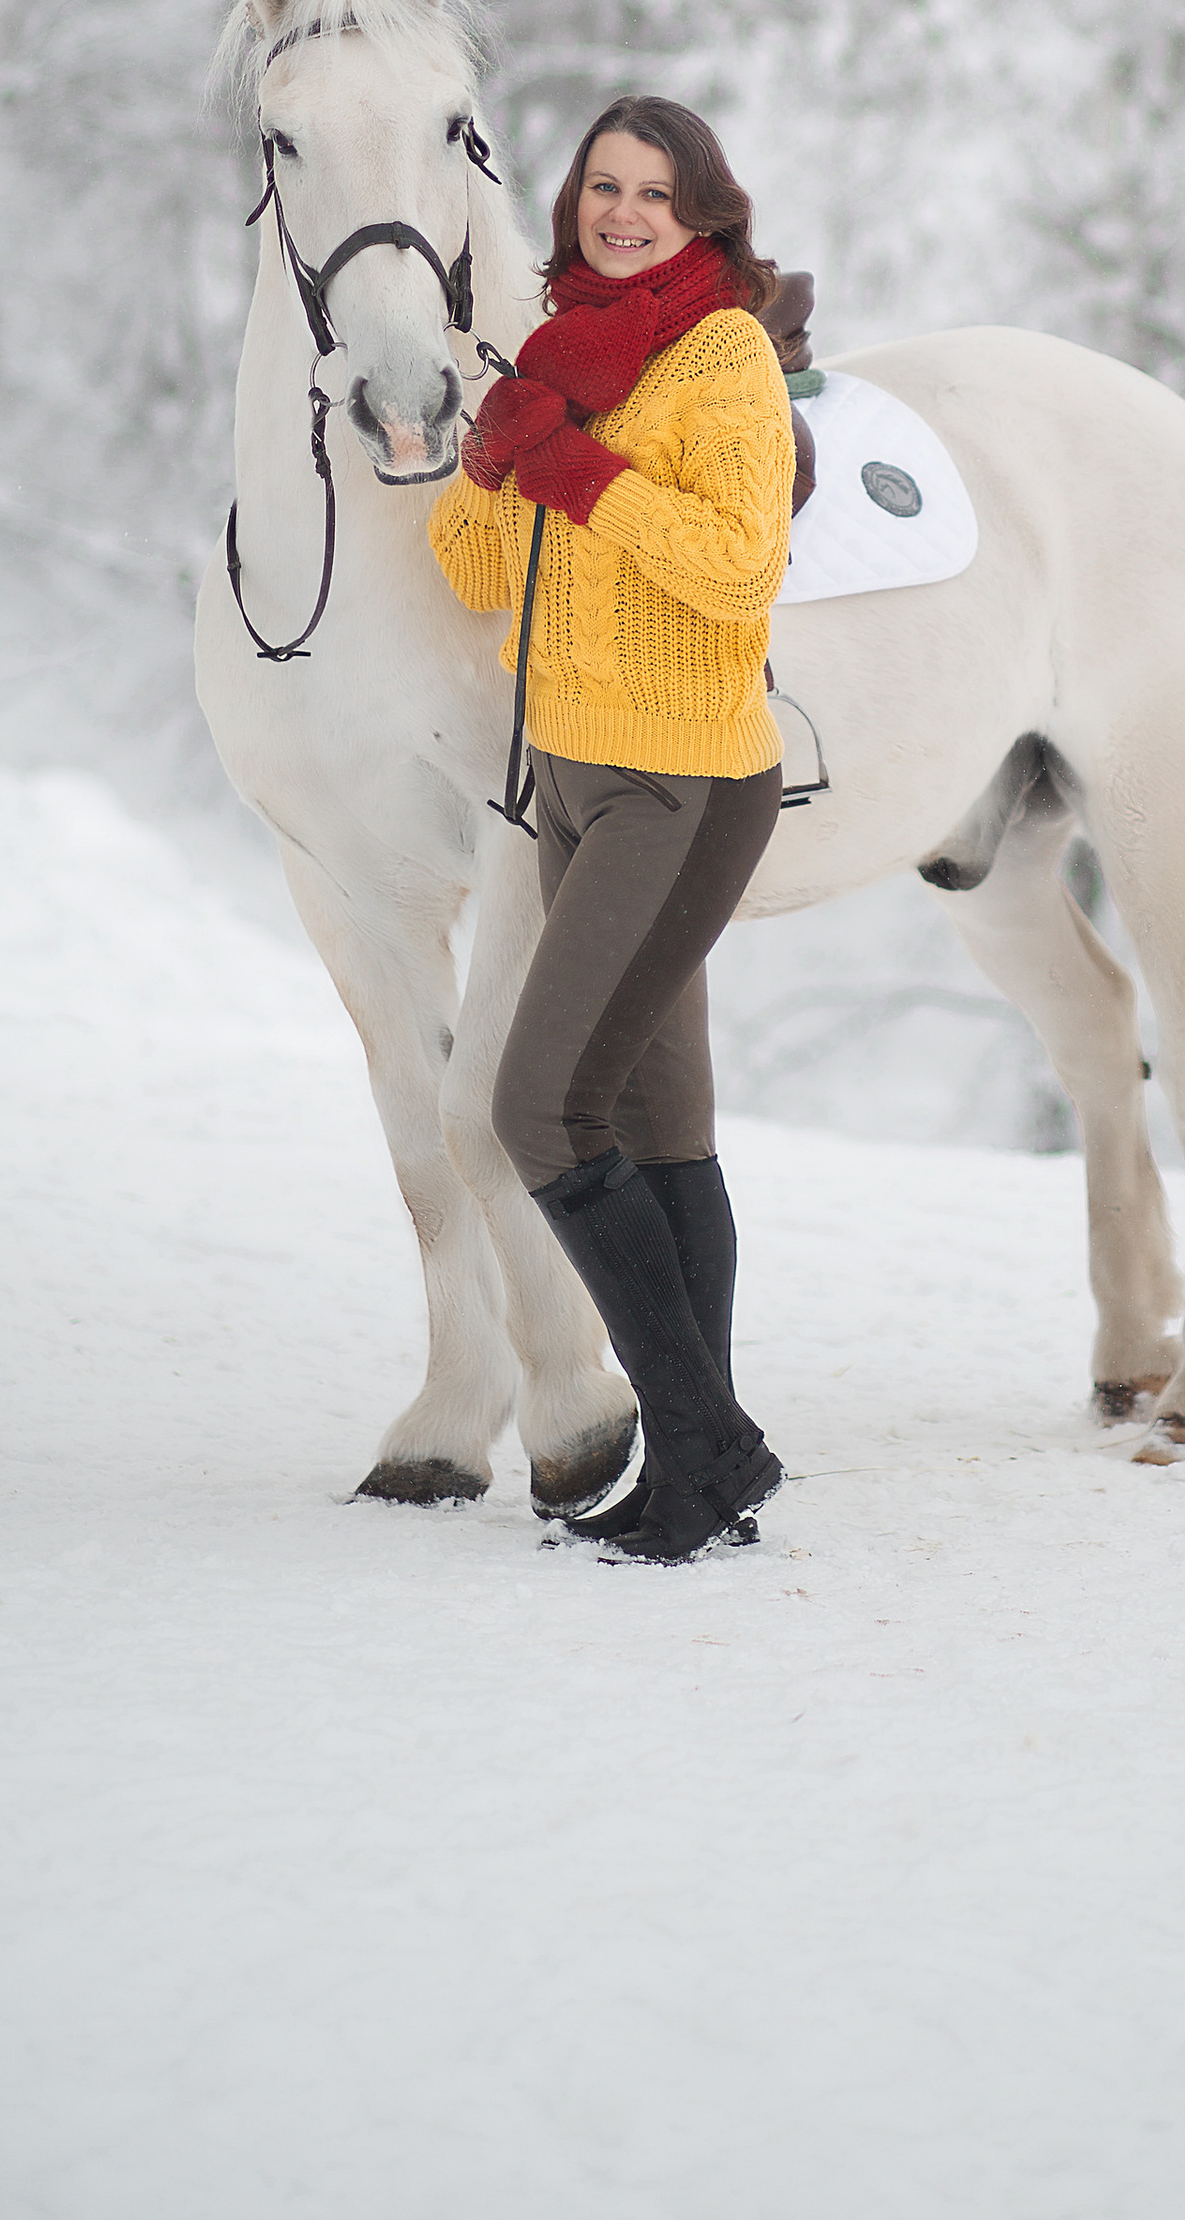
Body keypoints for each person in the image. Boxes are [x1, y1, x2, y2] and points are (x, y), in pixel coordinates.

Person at [430, 94, 795, 1564]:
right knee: (659, 1123)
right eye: (601, 186)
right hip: (576, 777)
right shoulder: (569, 357)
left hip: (684, 785)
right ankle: (700, 1472)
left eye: (653, 192)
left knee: (537, 1109)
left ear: (703, 213)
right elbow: (475, 572)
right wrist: (492, 455)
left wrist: (579, 470)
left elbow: (734, 569)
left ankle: (705, 1438)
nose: (622, 211)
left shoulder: (724, 361)